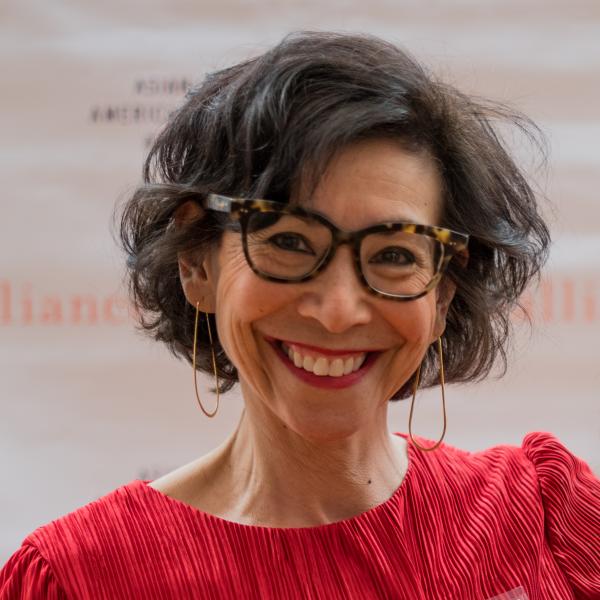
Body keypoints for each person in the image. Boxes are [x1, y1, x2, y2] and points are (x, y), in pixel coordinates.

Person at [1, 31, 598, 600]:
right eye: (288, 241)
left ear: (442, 294)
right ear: (196, 263)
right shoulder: (82, 578)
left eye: (394, 254)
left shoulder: (541, 516)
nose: (338, 311)